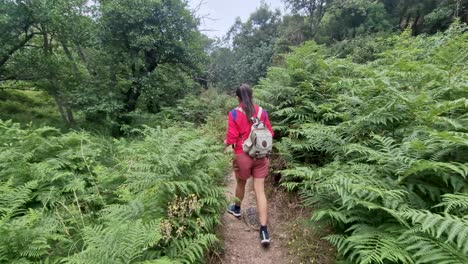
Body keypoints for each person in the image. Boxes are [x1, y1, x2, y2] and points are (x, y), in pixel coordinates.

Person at [224, 83, 274, 246]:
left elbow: (231, 139)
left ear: (237, 98)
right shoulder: (262, 112)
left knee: (241, 182)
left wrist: (227, 143)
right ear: (252, 96)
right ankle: (264, 231)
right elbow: (270, 133)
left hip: (242, 155)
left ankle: (237, 209)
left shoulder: (234, 113)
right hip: (261, 155)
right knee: (260, 191)